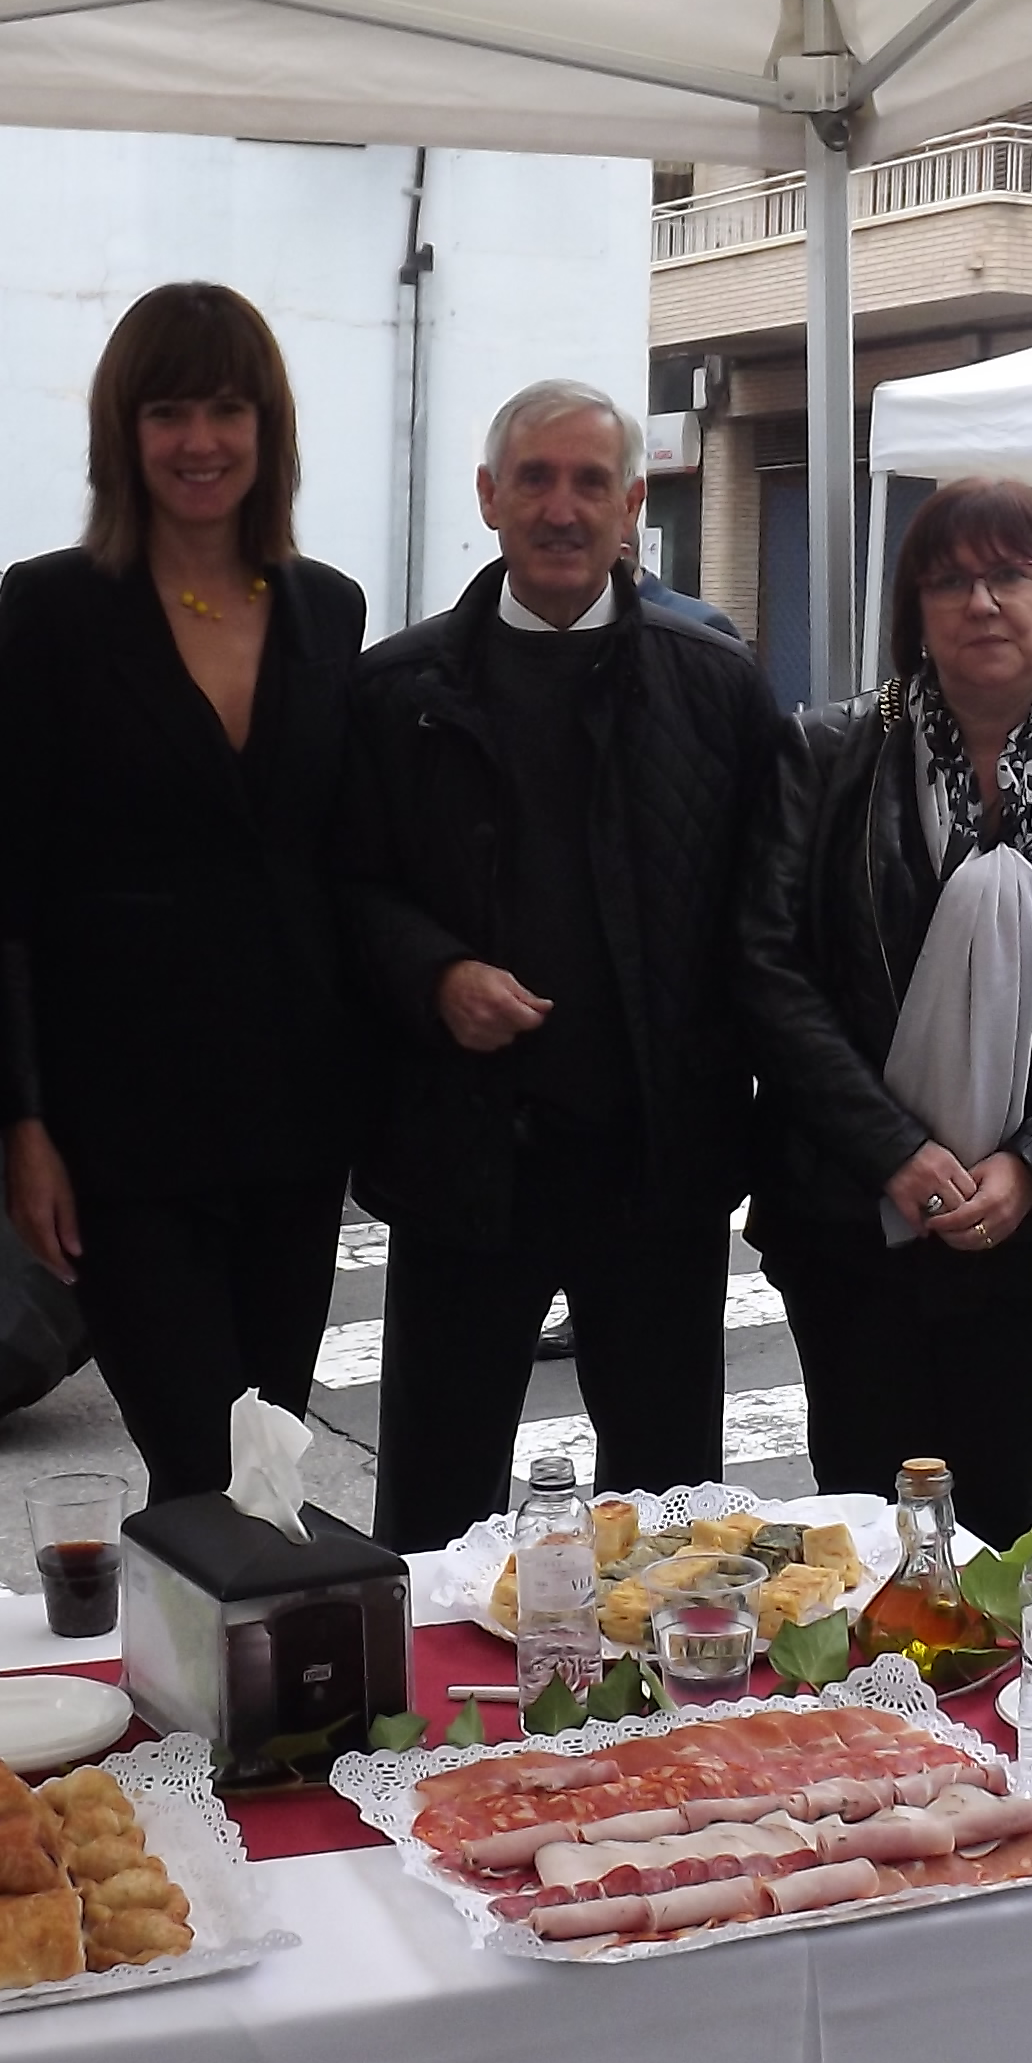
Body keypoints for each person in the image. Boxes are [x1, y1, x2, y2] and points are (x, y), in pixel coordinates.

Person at [336, 381, 780, 1548]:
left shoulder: (716, 687)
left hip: (656, 1166)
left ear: (633, 506)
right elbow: (346, 889)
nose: (562, 507)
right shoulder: (394, 693)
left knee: (673, 1520)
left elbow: (766, 918)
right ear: (489, 497)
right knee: (434, 1507)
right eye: (534, 478)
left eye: (591, 483)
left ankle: (658, 1681)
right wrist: (436, 975)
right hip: (464, 1161)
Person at [736, 479, 1032, 1535]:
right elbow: (767, 969)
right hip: (851, 1215)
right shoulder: (828, 753)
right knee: (860, 1512)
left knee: (996, 1510)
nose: (980, 601)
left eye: (1008, 574)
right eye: (948, 581)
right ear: (914, 609)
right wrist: (894, 1150)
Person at [0, 283, 365, 1504]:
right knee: (200, 1461)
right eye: (167, 412)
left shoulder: (327, 607)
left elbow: (339, 857)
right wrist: (23, 1126)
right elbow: (3, 889)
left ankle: (229, 1637)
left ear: (267, 428)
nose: (199, 441)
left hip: (296, 1118)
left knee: (269, 1459)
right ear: (124, 432)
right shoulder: (54, 610)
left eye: (226, 409)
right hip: (121, 1130)